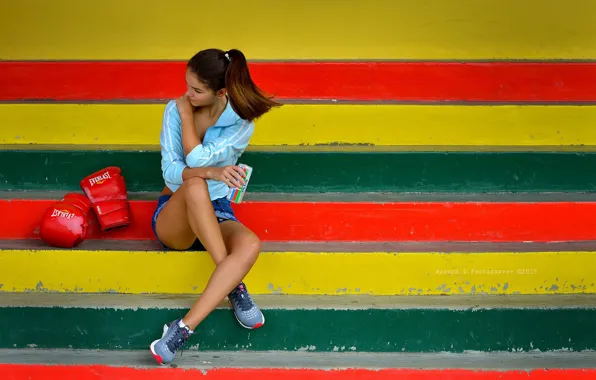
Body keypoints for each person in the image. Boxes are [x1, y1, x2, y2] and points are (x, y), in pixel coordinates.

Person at [149, 48, 282, 365]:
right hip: (176, 211)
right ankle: (234, 285)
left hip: (218, 207)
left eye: (196, 90)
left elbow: (194, 158)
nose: (187, 95)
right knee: (194, 184)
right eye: (187, 85)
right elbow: (171, 172)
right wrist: (209, 170)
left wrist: (203, 165)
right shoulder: (175, 110)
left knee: (251, 243)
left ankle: (182, 329)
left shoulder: (240, 123)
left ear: (221, 91)